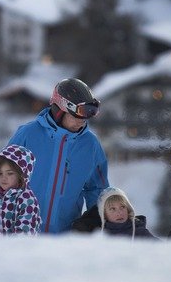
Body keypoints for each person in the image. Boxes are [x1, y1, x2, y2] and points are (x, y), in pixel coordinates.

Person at [7, 77, 109, 234]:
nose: (82, 121)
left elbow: (98, 189)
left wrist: (95, 219)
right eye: (77, 115)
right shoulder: (28, 134)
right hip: (22, 234)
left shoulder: (90, 144)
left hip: (64, 238)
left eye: (87, 115)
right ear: (60, 110)